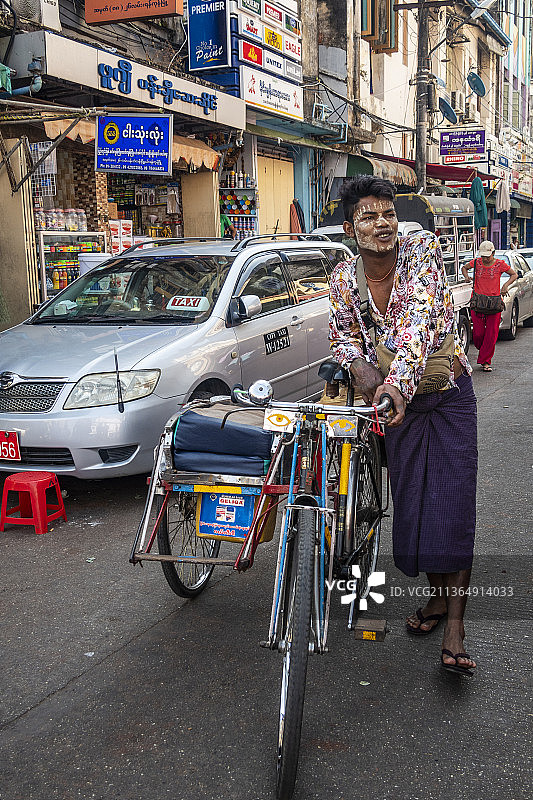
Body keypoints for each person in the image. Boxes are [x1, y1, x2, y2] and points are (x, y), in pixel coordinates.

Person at [329, 176, 478, 675]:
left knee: (453, 507)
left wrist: (392, 383)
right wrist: (361, 369)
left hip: (446, 396)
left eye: (388, 213)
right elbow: (343, 337)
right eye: (369, 216)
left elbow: (418, 322)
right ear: (351, 228)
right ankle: (436, 602)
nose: (382, 223)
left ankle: (454, 626)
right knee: (415, 507)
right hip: (397, 409)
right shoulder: (344, 279)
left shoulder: (422, 252)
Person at [461, 240, 517, 372]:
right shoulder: (476, 262)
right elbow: (464, 268)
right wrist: (466, 276)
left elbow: (513, 275)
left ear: (493, 253)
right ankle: (484, 351)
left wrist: (505, 286)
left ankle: (486, 361)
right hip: (478, 302)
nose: (485, 259)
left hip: (494, 303)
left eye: (487, 256)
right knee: (479, 334)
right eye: (483, 256)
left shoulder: (500, 264)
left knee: (491, 334)